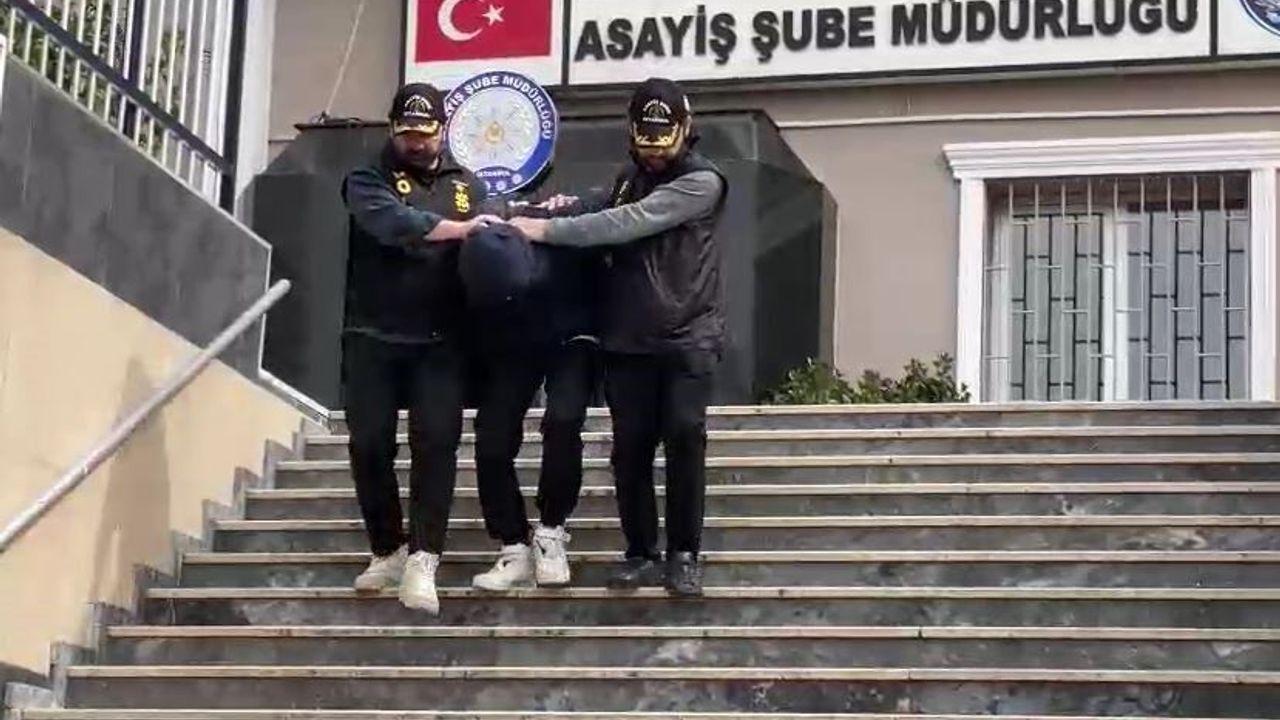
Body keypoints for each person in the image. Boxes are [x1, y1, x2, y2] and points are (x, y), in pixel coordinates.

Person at [510, 77, 728, 597]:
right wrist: (531, 211)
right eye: (646, 142)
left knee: (684, 438)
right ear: (632, 132)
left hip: (688, 337)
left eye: (664, 143)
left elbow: (624, 223)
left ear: (686, 129)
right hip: (627, 339)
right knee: (630, 451)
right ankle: (640, 552)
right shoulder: (626, 178)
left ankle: (683, 554)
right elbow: (595, 207)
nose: (655, 153)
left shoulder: (703, 182)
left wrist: (544, 230)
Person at [340, 82, 497, 614]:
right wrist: (458, 230)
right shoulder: (366, 178)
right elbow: (392, 223)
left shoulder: (466, 185)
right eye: (407, 132)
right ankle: (388, 548)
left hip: (440, 341)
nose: (416, 142)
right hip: (372, 334)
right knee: (369, 444)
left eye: (425, 133)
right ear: (392, 129)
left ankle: (424, 557)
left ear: (442, 130)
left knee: (436, 445)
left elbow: (487, 243)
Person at [460, 209, 604, 592]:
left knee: (563, 420)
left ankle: (551, 531)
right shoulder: (485, 250)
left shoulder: (565, 227)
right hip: (515, 340)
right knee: (492, 434)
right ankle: (513, 545)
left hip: (573, 334)